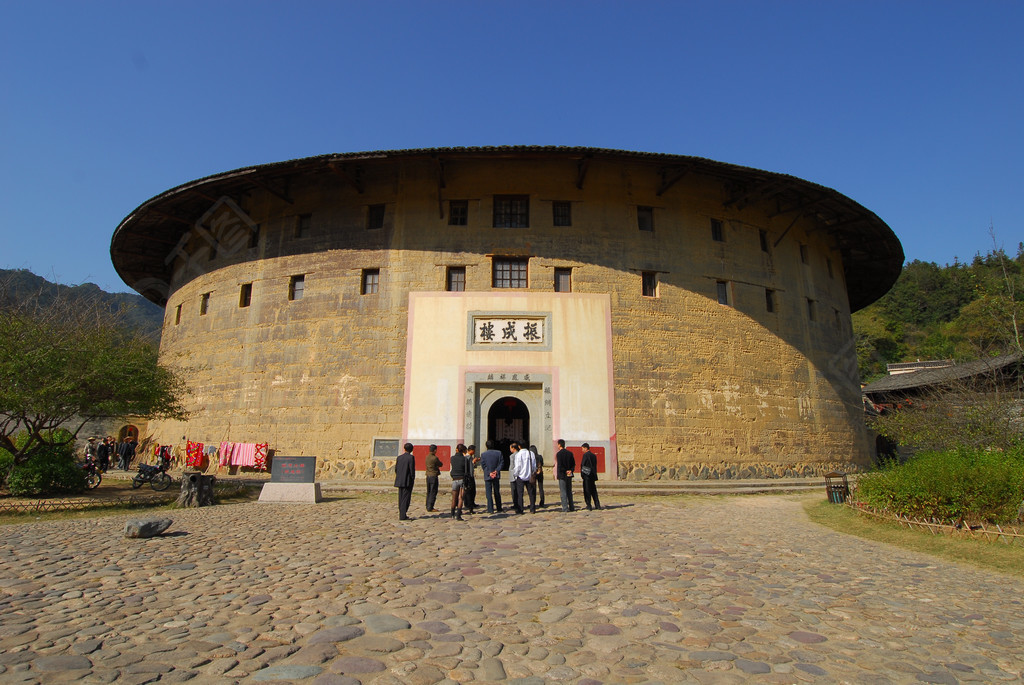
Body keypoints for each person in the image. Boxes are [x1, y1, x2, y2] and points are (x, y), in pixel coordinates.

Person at [510, 441, 537, 514]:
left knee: (520, 493)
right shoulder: (531, 453)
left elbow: (518, 466)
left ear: (519, 446)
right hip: (529, 476)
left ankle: (520, 509)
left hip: (520, 476)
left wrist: (515, 474)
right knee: (531, 493)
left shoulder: (518, 455)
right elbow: (534, 466)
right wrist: (532, 472)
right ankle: (532, 508)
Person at [480, 440, 504, 514]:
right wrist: (496, 471)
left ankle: (490, 509)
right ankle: (499, 507)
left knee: (488, 493)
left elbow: (483, 465)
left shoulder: (483, 454)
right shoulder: (499, 453)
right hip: (496, 475)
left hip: (488, 475)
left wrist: (489, 472)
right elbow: (501, 463)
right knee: (497, 492)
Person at [394, 443, 416, 521]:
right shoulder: (411, 458)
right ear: (411, 449)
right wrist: (412, 478)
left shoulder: (399, 458)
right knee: (405, 498)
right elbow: (411, 470)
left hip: (400, 480)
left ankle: (401, 513)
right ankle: (403, 515)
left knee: (401, 497)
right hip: (407, 481)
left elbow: (396, 469)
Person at [554, 439, 576, 512]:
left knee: (563, 491)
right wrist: (570, 470)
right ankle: (571, 507)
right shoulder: (570, 453)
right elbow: (573, 464)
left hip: (562, 475)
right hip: (569, 474)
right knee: (569, 491)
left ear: (559, 445)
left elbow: (560, 465)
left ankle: (565, 508)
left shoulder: (559, 454)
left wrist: (564, 471)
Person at [449, 443, 469, 521]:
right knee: (460, 497)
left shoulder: (452, 458)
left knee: (454, 498)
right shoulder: (465, 459)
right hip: (462, 479)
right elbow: (466, 470)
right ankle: (458, 515)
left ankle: (452, 513)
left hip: (454, 479)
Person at [580, 442, 602, 511]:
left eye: (583, 448)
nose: (582, 450)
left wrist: (582, 474)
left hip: (587, 475)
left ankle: (589, 505)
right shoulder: (593, 455)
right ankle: (597, 504)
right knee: (594, 491)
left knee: (587, 491)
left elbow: (583, 465)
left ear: (586, 448)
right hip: (593, 475)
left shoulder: (585, 455)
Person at [424, 444, 441, 513]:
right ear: (435, 450)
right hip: (433, 475)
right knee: (433, 491)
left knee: (428, 491)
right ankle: (430, 507)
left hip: (428, 475)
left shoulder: (427, 457)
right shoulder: (434, 458)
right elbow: (440, 464)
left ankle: (427, 505)